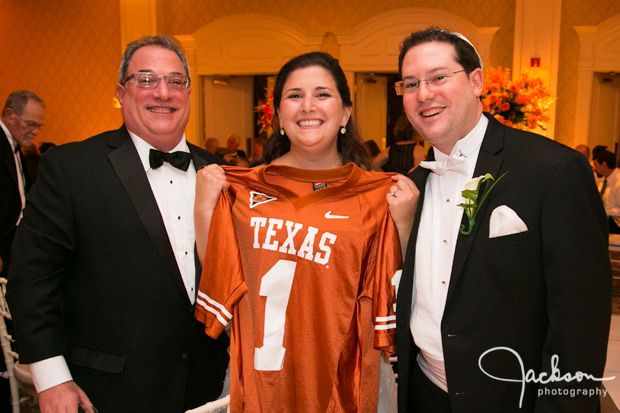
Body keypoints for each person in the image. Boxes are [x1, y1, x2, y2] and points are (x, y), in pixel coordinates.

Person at [6, 35, 229, 413]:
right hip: (106, 393)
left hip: (210, 390)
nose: (163, 92)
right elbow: (31, 281)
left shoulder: (220, 172)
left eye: (176, 81)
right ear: (121, 93)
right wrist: (52, 378)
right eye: (146, 79)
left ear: (188, 93)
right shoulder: (72, 168)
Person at [393, 27, 611, 412]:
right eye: (411, 84)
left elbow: (580, 325)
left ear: (476, 80)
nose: (424, 94)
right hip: (425, 394)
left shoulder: (553, 170)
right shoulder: (413, 188)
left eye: (439, 77)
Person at [193, 51, 416, 412]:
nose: (308, 106)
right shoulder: (238, 191)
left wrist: (403, 224)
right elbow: (219, 281)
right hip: (260, 385)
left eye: (322, 94)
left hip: (344, 389)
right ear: (279, 114)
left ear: (345, 113)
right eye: (294, 96)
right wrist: (205, 207)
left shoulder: (378, 197)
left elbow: (399, 295)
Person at [0, 90, 45, 280]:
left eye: (39, 126)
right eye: (30, 124)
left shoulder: (16, 148)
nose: (35, 131)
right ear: (10, 115)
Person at [593, 149, 620, 234]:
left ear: (604, 164)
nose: (594, 168)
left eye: (596, 165)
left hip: (616, 223)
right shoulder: (603, 181)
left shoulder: (618, 183)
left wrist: (606, 211)